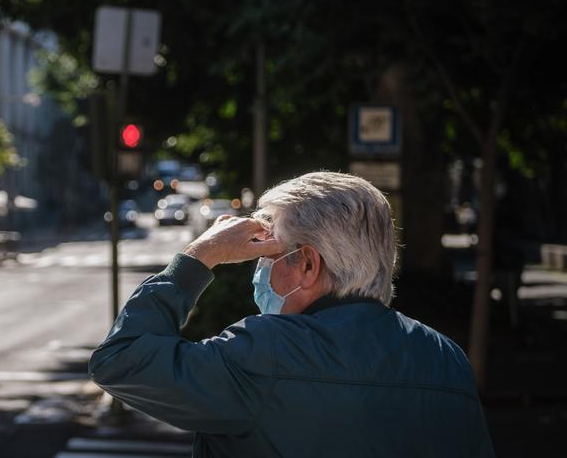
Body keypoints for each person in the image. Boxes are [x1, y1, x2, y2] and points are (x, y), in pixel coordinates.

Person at [89, 171, 493, 457]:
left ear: (308, 265)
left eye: (271, 254)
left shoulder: (265, 353)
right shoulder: (446, 358)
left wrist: (200, 256)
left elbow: (120, 360)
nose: (262, 270)